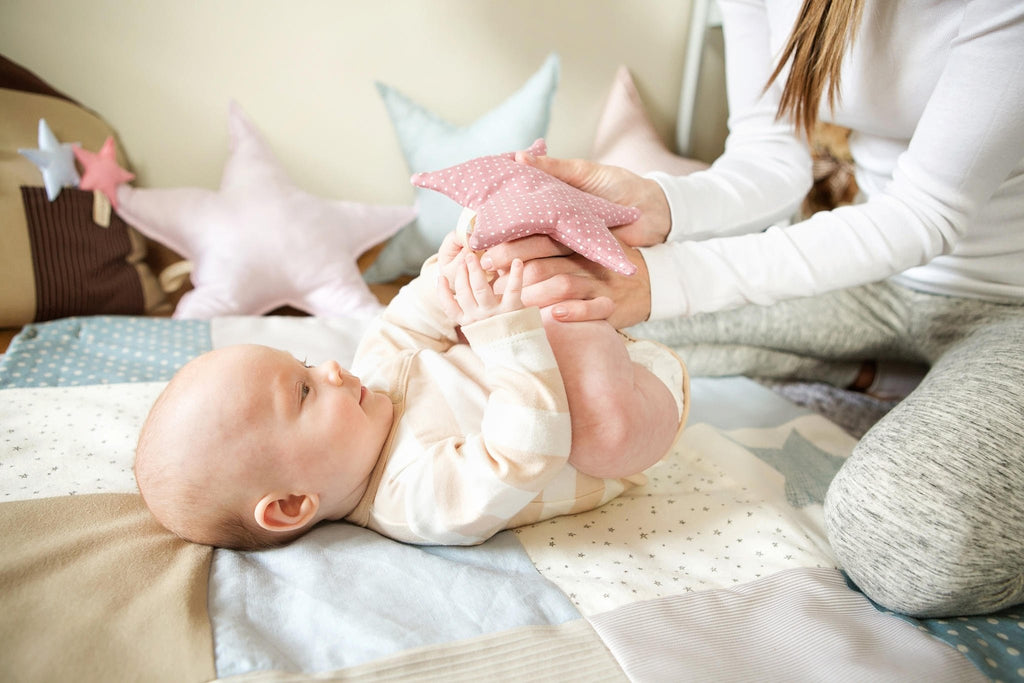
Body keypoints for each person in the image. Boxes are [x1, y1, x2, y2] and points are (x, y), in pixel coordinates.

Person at [479, 0, 1024, 618]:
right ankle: (878, 370)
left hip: (1010, 304)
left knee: (908, 543)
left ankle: (908, 368)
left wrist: (667, 276)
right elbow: (769, 154)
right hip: (876, 276)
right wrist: (660, 204)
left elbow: (928, 214)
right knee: (579, 327)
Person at [134, 230, 688, 550]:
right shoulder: (413, 500)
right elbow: (524, 456)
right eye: (303, 392)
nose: (329, 369)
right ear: (290, 504)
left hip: (591, 362)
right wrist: (504, 334)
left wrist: (447, 277)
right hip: (632, 418)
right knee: (600, 434)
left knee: (497, 273)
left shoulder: (367, 381)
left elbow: (405, 323)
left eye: (303, 363)